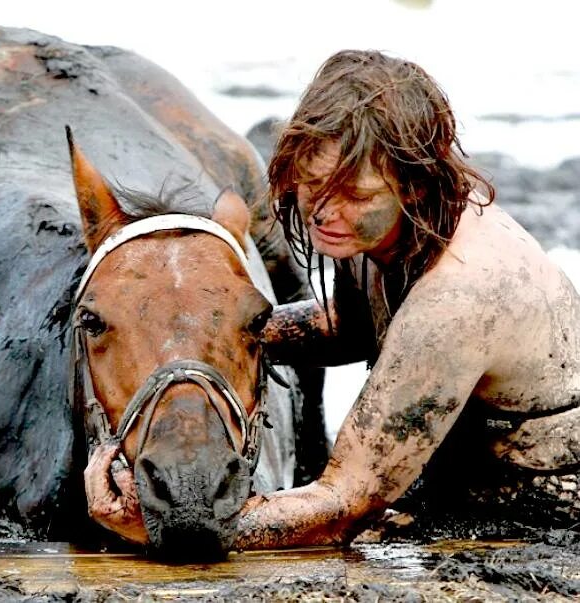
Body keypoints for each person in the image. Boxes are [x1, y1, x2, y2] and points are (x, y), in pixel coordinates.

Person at [85, 49, 580, 548]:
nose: (325, 213)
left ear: (414, 184)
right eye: (313, 184)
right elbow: (351, 329)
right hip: (454, 487)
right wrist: (206, 335)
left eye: (357, 195)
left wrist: (166, 524)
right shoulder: (380, 227)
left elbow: (344, 503)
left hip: (541, 516)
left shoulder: (462, 295)